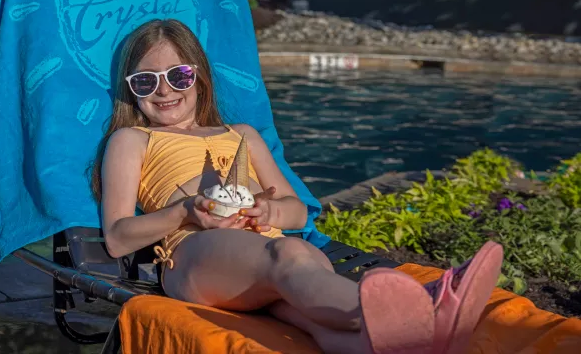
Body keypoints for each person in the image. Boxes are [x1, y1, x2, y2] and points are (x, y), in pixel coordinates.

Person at [92, 18, 503, 354]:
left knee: (312, 318)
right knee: (290, 251)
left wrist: (269, 211)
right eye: (146, 82)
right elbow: (117, 238)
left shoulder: (242, 135)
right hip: (194, 255)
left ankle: (411, 343)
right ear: (132, 90)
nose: (164, 90)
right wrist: (184, 212)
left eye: (178, 76)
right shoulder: (133, 140)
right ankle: (419, 309)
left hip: (268, 256)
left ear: (199, 79)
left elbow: (296, 210)